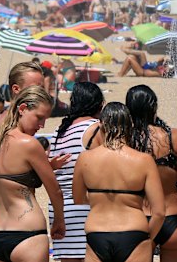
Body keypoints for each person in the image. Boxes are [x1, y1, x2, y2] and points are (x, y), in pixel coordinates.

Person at [72, 102, 165, 262]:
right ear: (130, 125)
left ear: (101, 125)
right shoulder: (143, 160)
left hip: (97, 232)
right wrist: (148, 238)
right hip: (134, 231)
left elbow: (78, 199)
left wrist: (99, 199)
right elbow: (159, 212)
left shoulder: (85, 159)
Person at [125, 85, 177, 262]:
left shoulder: (126, 139)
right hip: (173, 218)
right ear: (154, 107)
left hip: (139, 219)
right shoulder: (173, 136)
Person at [0, 86, 65, 262]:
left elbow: (10, 177)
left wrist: (47, 166)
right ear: (22, 109)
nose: (42, 125)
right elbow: (55, 191)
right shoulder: (28, 144)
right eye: (39, 117)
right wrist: (59, 220)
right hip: (28, 234)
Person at [48, 82, 105, 262]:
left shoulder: (59, 131)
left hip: (60, 209)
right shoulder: (96, 128)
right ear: (98, 104)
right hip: (87, 205)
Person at [0, 61, 44, 142]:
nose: (41, 92)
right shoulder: (5, 123)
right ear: (16, 89)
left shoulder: (16, 119)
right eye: (35, 87)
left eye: (42, 88)